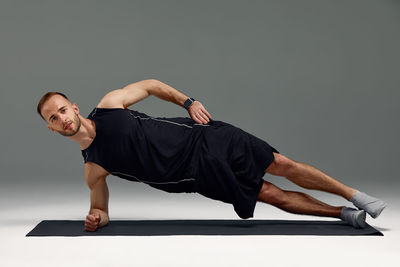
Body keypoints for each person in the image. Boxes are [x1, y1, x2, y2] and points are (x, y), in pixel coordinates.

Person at [36, 79, 387, 232]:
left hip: (206, 139)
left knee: (282, 164)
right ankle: (341, 214)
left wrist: (189, 102)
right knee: (269, 194)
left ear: (74, 107)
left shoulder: (110, 105)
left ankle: (354, 195)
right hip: (197, 175)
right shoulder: (93, 169)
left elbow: (151, 85)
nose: (62, 119)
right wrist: (96, 219)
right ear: (51, 129)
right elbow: (100, 209)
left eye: (63, 110)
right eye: (54, 119)